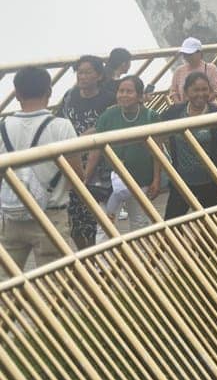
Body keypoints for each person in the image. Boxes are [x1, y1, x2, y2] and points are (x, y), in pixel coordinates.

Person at [0, 66, 76, 270]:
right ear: (49, 92)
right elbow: (76, 173)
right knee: (54, 282)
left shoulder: (3, 126)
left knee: (5, 280)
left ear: (16, 94)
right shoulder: (61, 126)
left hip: (10, 216)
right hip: (51, 215)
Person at [88, 76, 162, 243]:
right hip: (112, 183)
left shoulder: (150, 116)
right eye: (121, 91)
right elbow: (96, 150)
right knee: (106, 224)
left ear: (140, 96)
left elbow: (158, 152)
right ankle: (104, 267)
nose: (123, 95)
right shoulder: (108, 116)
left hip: (141, 180)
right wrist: (86, 178)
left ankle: (141, 264)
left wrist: (156, 180)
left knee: (140, 225)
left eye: (129, 91)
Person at [56, 54, 115, 248]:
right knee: (74, 216)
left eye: (88, 72)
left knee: (95, 217)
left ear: (99, 75)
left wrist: (87, 135)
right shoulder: (69, 96)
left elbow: (108, 125)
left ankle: (96, 261)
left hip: (99, 164)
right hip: (71, 161)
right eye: (79, 72)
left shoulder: (108, 99)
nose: (82, 76)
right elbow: (58, 120)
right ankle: (85, 257)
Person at [161, 71, 217, 220]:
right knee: (171, 224)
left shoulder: (216, 113)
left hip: (209, 181)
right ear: (186, 92)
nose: (201, 94)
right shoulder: (176, 112)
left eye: (205, 89)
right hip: (181, 181)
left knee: (212, 226)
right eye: (196, 90)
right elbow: (155, 131)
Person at [168, 36, 217, 105]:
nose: (186, 57)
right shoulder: (179, 71)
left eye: (190, 54)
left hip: (207, 108)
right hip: (185, 111)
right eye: (185, 54)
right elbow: (173, 92)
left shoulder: (211, 69)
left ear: (200, 53)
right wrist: (180, 106)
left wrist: (200, 103)